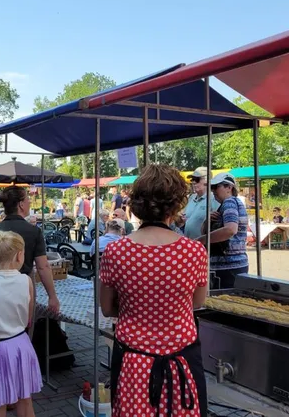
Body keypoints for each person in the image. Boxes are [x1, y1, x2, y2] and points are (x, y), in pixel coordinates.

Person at [100, 164, 208, 417]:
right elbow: (197, 304)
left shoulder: (116, 251)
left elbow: (106, 308)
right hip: (182, 360)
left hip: (133, 363)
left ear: (137, 203)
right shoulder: (194, 252)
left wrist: (136, 307)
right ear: (176, 204)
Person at [0, 231, 42, 416]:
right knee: (25, 402)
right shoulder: (26, 281)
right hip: (21, 345)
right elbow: (28, 319)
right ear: (19, 255)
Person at [0, 186, 60, 315]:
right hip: (23, 288)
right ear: (21, 204)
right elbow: (43, 267)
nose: (30, 202)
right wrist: (52, 296)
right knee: (23, 328)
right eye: (28, 199)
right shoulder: (34, 231)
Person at [197, 172, 248, 289]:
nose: (213, 191)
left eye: (216, 187)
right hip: (232, 266)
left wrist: (201, 241)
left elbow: (230, 230)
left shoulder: (229, 202)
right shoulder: (229, 204)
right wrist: (208, 221)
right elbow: (205, 230)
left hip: (227, 267)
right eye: (212, 187)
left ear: (229, 187)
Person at [183, 167, 219, 240]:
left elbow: (218, 224)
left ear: (206, 180)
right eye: (192, 179)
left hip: (204, 246)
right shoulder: (191, 198)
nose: (193, 182)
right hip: (189, 245)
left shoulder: (213, 198)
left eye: (197, 179)